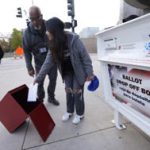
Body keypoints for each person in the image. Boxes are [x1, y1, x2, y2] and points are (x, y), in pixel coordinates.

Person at [34, 17, 94, 124]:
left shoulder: (74, 40)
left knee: (77, 92)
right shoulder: (53, 43)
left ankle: (80, 114)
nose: (47, 33)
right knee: (68, 91)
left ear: (55, 31)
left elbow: (85, 58)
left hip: (78, 71)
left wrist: (89, 73)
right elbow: (48, 62)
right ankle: (69, 111)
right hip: (66, 72)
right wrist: (39, 78)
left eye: (48, 30)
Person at [22, 6, 59, 105]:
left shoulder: (49, 26)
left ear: (41, 16)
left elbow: (57, 41)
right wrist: (29, 67)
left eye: (36, 18)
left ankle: (51, 97)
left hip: (52, 62)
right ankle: (41, 99)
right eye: (31, 19)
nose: (34, 22)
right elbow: (26, 51)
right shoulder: (27, 33)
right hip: (39, 64)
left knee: (53, 81)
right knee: (39, 83)